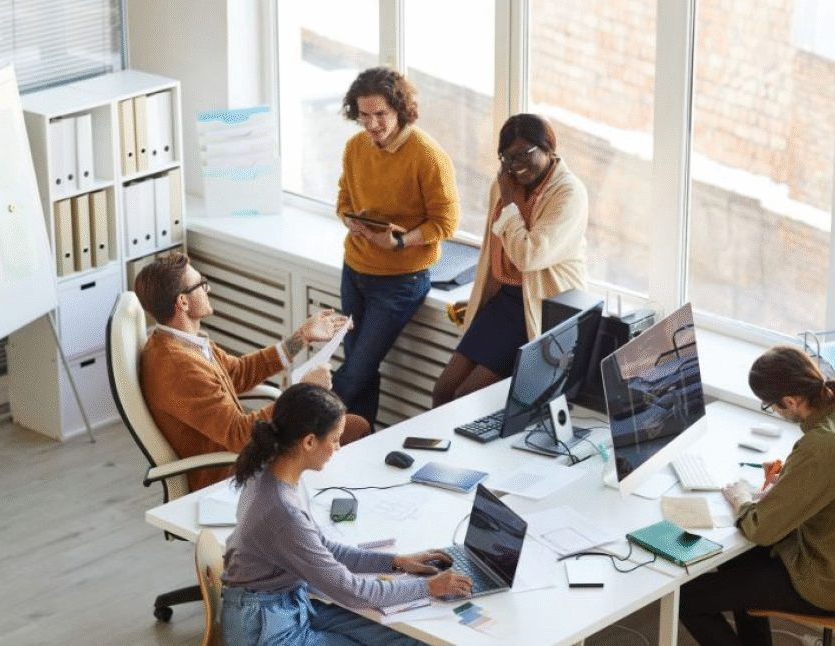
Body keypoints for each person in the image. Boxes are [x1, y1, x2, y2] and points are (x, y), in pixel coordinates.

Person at [220, 384, 472, 646]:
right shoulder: (283, 510)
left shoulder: (278, 471)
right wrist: (429, 587)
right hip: (267, 630)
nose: (338, 448)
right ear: (309, 442)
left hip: (288, 605)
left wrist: (395, 562)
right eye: (335, 439)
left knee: (408, 640)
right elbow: (350, 590)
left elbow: (322, 547)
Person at [679, 345, 835, 646]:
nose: (775, 412)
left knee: (686, 599)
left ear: (790, 401)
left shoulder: (825, 445)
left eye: (771, 406)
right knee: (734, 565)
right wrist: (793, 480)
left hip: (829, 581)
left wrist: (741, 499)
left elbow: (761, 530)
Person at [134, 252, 370, 491]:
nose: (209, 289)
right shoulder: (178, 367)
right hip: (229, 472)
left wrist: (302, 337)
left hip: (240, 452)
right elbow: (238, 434)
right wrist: (303, 392)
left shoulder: (183, 343)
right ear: (182, 303)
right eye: (201, 284)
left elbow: (237, 373)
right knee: (351, 429)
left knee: (346, 429)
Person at [432, 114, 587, 407]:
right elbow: (494, 252)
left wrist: (511, 204)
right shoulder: (504, 183)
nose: (517, 166)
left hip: (541, 306)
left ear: (549, 148)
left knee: (467, 399)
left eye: (525, 155)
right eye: (508, 158)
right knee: (443, 389)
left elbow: (530, 256)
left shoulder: (569, 192)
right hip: (506, 301)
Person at [335, 67, 460, 425]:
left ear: (400, 110)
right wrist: (350, 220)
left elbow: (446, 222)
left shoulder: (427, 155)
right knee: (363, 371)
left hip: (400, 280)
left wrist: (401, 241)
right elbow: (343, 197)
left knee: (353, 373)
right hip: (355, 270)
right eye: (364, 116)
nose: (372, 125)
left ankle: (295, 430)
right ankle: (353, 447)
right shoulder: (355, 147)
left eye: (381, 115)